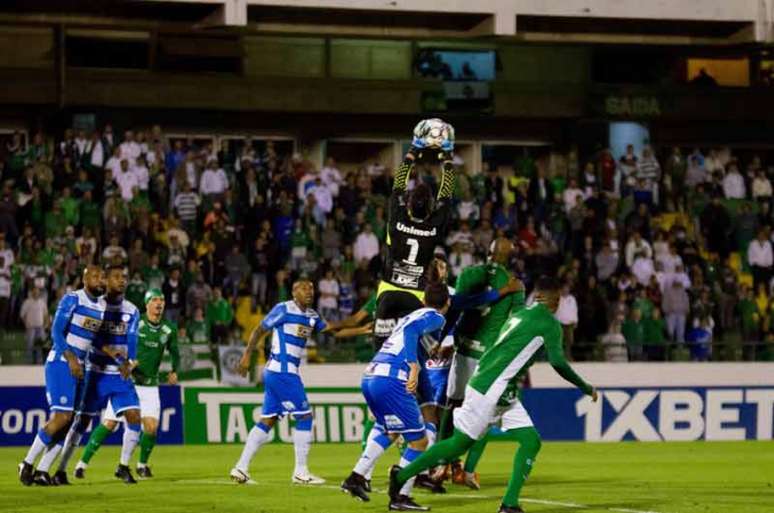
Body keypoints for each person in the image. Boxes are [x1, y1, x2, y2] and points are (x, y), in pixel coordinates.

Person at [388, 276, 597, 513]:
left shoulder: (519, 316)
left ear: (537, 296)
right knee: (458, 445)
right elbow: (558, 362)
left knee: (530, 441)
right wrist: (585, 386)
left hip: (493, 385)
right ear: (556, 301)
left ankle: (509, 505)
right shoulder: (549, 323)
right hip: (493, 389)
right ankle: (401, 476)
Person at [229, 279, 359, 485]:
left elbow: (335, 331)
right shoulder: (283, 309)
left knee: (268, 419)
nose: (309, 291)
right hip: (283, 372)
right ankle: (300, 471)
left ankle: (241, 468)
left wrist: (363, 330)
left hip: (278, 373)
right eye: (304, 288)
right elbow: (259, 330)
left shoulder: (311, 315)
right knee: (305, 417)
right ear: (294, 291)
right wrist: (246, 356)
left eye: (312, 288)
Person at [341, 282, 450, 509]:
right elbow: (413, 334)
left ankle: (356, 477)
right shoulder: (435, 317)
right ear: (447, 303)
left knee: (390, 430)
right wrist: (414, 366)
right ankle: (400, 496)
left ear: (422, 300)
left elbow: (411, 335)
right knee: (419, 441)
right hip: (391, 379)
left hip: (372, 375)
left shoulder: (409, 317)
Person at [74, 288, 180, 479]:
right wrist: (125, 363)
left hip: (150, 386)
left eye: (161, 300)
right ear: (147, 304)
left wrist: (174, 371)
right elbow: (117, 344)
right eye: (155, 299)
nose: (159, 303)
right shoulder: (135, 324)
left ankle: (141, 465)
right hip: (127, 382)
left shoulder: (169, 329)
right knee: (109, 424)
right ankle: (82, 464)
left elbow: (175, 353)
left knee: (151, 428)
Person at [53, 265, 142, 484]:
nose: (122, 281)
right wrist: (115, 356)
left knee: (134, 416)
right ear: (106, 280)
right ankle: (61, 469)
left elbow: (131, 339)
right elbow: (93, 338)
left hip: (120, 375)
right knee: (81, 422)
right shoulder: (96, 306)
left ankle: (123, 466)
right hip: (96, 373)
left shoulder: (132, 310)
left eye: (125, 277)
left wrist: (130, 361)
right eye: (116, 277)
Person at [18, 265, 106, 486]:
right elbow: (56, 331)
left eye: (102, 277)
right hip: (62, 362)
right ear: (85, 280)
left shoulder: (102, 306)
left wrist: (110, 351)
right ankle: (27, 463)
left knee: (69, 423)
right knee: (62, 418)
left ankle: (43, 471)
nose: (100, 280)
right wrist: (71, 358)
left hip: (82, 367)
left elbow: (93, 339)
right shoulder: (72, 299)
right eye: (95, 276)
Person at [374, 132, 455, 348]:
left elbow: (398, 185)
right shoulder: (434, 226)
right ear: (430, 208)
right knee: (416, 349)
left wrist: (412, 152)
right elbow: (446, 194)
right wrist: (446, 158)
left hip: (388, 293)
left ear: (408, 205)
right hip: (417, 296)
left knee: (382, 350)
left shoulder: (396, 219)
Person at [20, 287, 50, 364]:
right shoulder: (27, 302)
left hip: (40, 327)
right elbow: (22, 315)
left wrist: (46, 324)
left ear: (39, 293)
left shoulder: (42, 302)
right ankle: (29, 362)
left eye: (37, 292)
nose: (36, 293)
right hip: (31, 327)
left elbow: (46, 314)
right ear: (32, 292)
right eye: (34, 291)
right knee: (29, 345)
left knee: (39, 346)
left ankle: (39, 362)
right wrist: (26, 324)